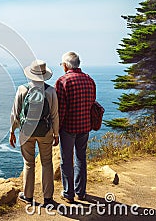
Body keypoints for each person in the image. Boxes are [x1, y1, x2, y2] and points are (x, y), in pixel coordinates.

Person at [9, 60, 59, 206]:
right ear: (44, 75)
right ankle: (48, 198)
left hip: (26, 132)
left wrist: (12, 131)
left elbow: (15, 114)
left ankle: (28, 197)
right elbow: (55, 115)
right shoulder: (50, 91)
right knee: (47, 163)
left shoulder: (22, 89)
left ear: (30, 74)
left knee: (29, 164)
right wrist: (56, 134)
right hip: (46, 132)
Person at [55, 52, 96, 203]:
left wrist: (56, 130)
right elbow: (92, 103)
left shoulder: (62, 81)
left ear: (66, 65)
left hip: (68, 128)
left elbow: (61, 109)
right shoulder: (89, 80)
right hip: (85, 125)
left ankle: (68, 194)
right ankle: (81, 192)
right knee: (81, 158)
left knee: (67, 160)